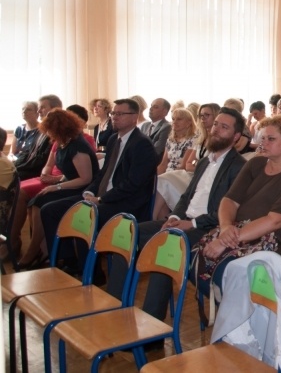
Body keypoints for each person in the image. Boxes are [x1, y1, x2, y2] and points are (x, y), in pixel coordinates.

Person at [107, 107, 247, 317]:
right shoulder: (204, 161)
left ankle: (152, 325)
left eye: (224, 127)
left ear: (236, 137)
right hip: (183, 221)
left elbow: (225, 211)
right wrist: (174, 217)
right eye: (216, 124)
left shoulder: (239, 167)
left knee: (166, 246)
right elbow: (186, 196)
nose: (216, 129)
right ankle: (113, 306)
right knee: (125, 233)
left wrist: (190, 224)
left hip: (207, 228)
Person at [41, 98, 159, 268]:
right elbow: (103, 173)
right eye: (113, 113)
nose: (114, 117)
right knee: (49, 210)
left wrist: (101, 199)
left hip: (127, 202)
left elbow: (133, 184)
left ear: (134, 117)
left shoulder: (141, 144)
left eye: (120, 114)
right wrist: (89, 191)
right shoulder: (113, 140)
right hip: (103, 197)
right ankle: (66, 260)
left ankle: (91, 271)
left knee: (85, 215)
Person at [201, 114, 281, 277]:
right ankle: (231, 299)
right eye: (262, 138)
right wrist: (226, 226)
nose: (263, 143)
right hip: (241, 231)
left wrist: (225, 241)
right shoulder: (256, 163)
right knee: (197, 256)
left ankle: (238, 300)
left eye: (270, 138)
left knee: (225, 268)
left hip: (280, 243)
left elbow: (274, 221)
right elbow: (230, 200)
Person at [16, 109, 100, 269]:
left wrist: (57, 186)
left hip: (84, 189)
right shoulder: (63, 144)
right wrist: (55, 180)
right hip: (72, 185)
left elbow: (85, 178)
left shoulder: (78, 146)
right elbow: (69, 172)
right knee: (37, 200)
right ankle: (43, 249)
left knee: (46, 206)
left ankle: (45, 251)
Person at [151, 108, 197, 220]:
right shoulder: (170, 140)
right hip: (168, 175)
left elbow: (184, 166)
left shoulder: (193, 139)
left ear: (189, 122)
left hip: (182, 175)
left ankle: (151, 218)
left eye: (179, 119)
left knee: (162, 183)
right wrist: (152, 177)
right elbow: (163, 164)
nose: (174, 122)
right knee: (155, 182)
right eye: (173, 119)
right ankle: (161, 223)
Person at [14, 95, 61, 181]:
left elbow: (42, 160)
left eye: (42, 107)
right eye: (38, 108)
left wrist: (17, 169)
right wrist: (15, 166)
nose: (38, 111)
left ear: (55, 109)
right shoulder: (44, 130)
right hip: (29, 168)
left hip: (39, 173)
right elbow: (29, 154)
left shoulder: (57, 131)